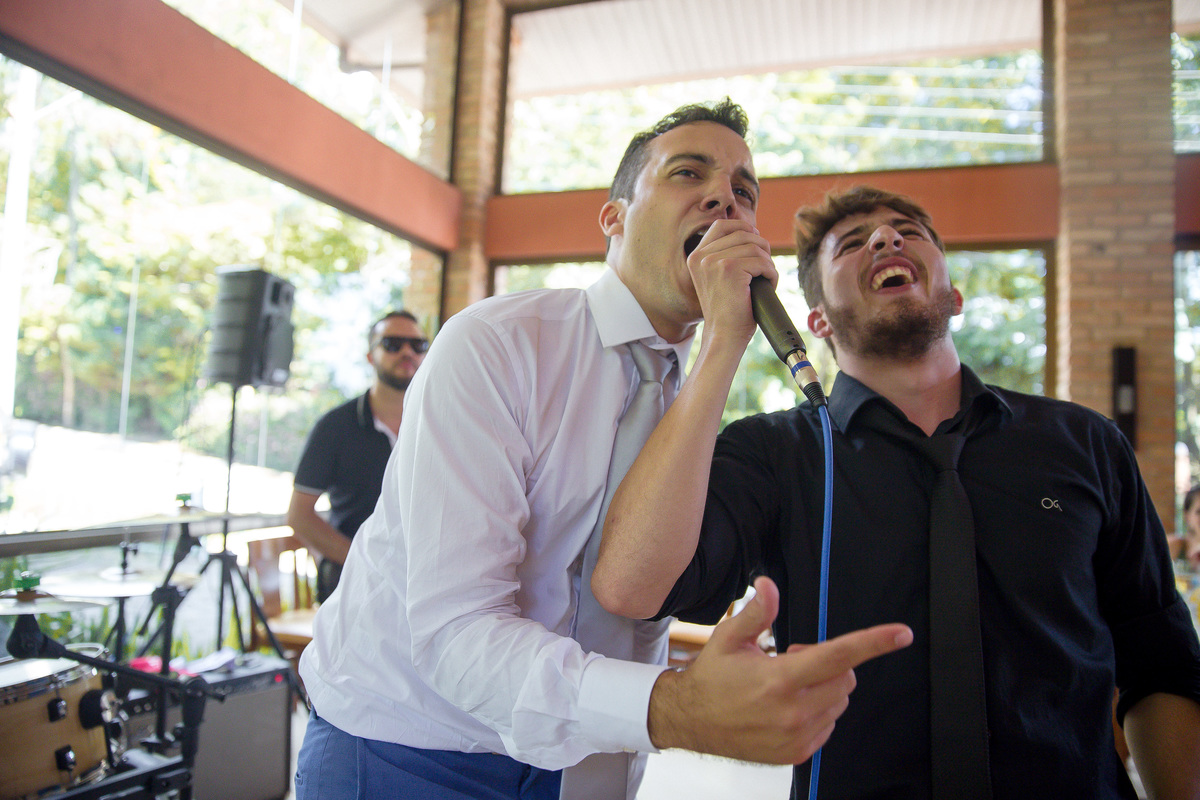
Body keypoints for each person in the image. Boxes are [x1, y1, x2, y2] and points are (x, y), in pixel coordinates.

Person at [293, 102, 912, 800]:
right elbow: (456, 633)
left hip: (586, 759)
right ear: (613, 218)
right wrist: (676, 708)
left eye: (745, 191)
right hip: (411, 747)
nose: (725, 198)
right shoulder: (499, 346)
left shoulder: (697, 394)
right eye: (689, 173)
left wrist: (723, 347)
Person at [594, 185, 1200, 798]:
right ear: (817, 320)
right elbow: (634, 586)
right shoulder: (772, 453)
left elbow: (1162, 662)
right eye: (852, 244)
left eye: (909, 232)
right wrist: (724, 340)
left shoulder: (1084, 442)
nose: (886, 239)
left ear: (953, 295)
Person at [287, 310, 427, 602]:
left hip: (422, 584)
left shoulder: (437, 423)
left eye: (418, 345)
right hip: (353, 585)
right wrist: (363, 561)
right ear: (370, 356)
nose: (407, 352)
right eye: (392, 344)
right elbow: (300, 515)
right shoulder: (335, 426)